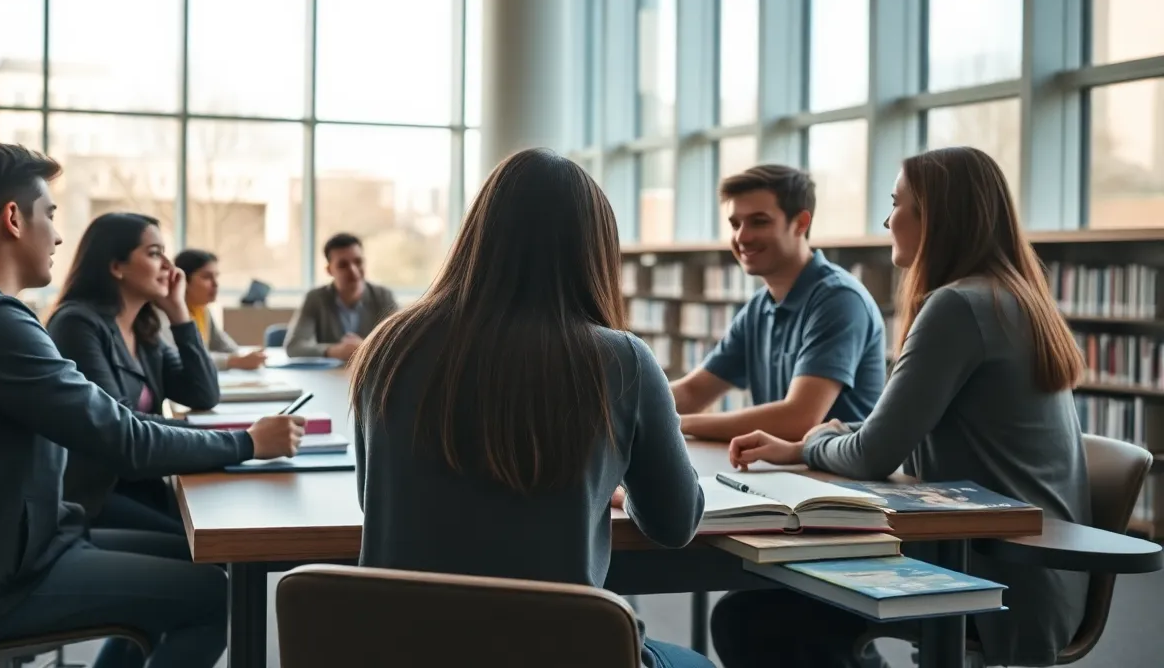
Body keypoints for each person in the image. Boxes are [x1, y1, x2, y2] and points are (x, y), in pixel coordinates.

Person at [0, 138, 305, 668]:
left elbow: (130, 419)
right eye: (49, 215)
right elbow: (122, 436)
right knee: (213, 597)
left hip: (14, 547)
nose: (57, 235)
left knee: (204, 563)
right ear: (13, 219)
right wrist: (247, 443)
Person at [715, 146, 1091, 668]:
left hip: (992, 576)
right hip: (1033, 567)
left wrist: (815, 441)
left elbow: (873, 454)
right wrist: (808, 444)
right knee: (762, 612)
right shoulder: (1007, 295)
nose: (888, 220)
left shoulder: (957, 306)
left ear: (935, 215)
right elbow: (898, 428)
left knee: (752, 619)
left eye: (896, 204)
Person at [350, 147, 713, 668]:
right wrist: (614, 480)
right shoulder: (622, 360)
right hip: (562, 652)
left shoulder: (388, 346)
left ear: (477, 236)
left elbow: (374, 499)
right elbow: (675, 523)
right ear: (593, 253)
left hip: (403, 651)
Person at [670, 164, 888, 442]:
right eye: (735, 224)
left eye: (759, 222)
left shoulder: (840, 300)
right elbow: (693, 392)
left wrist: (677, 423)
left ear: (801, 223)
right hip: (780, 465)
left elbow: (798, 419)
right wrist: (625, 404)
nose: (742, 237)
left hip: (832, 469)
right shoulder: (759, 307)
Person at [45, 213, 224, 536]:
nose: (170, 267)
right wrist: (234, 439)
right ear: (117, 266)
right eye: (155, 253)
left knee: (216, 527)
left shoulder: (144, 328)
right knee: (206, 548)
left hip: (141, 484)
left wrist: (180, 315)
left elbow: (203, 392)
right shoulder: (76, 325)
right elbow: (123, 426)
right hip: (95, 495)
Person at [284, 232, 399, 360]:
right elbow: (294, 347)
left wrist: (363, 348)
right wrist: (333, 351)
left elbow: (400, 343)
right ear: (329, 270)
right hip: (331, 372)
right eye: (343, 265)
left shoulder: (383, 296)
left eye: (358, 262)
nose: (353, 270)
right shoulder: (315, 298)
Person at [166, 248, 267, 371]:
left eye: (216, 276)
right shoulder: (170, 314)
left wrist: (245, 357)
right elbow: (184, 358)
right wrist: (233, 361)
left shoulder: (202, 310)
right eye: (207, 277)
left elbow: (221, 343)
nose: (215, 284)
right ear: (183, 281)